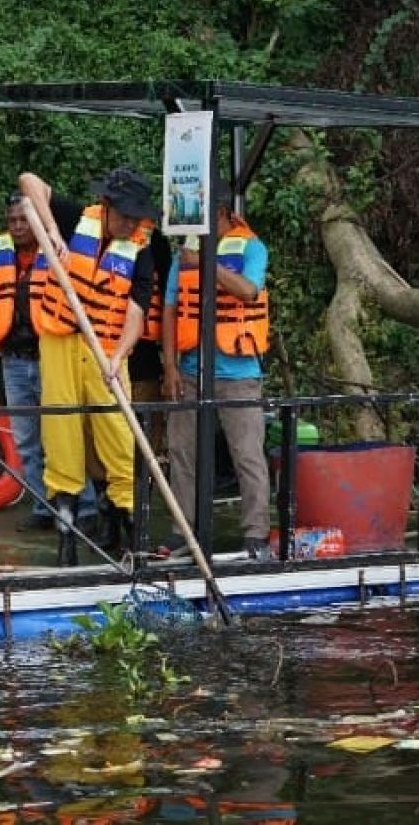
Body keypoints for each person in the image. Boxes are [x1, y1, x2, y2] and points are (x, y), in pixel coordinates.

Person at [19, 168, 159, 565]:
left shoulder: (141, 246)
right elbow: (30, 181)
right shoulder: (76, 218)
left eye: (137, 217)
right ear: (107, 205)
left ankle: (133, 541)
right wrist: (53, 233)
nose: (131, 224)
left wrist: (119, 355)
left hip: (107, 350)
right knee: (62, 435)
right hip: (61, 342)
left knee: (118, 438)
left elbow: (137, 307)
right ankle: (67, 546)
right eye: (125, 215)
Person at [0, 193, 101, 532]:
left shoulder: (59, 250)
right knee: (27, 439)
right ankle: (44, 506)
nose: (16, 226)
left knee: (64, 434)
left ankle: (83, 508)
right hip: (14, 361)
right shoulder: (1, 254)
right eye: (12, 221)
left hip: (51, 359)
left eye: (23, 220)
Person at [162, 187, 271, 559]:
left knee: (247, 453)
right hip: (191, 369)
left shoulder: (251, 248)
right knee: (181, 451)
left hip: (238, 371)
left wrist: (207, 262)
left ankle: (256, 533)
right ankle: (182, 529)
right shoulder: (185, 253)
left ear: (221, 213)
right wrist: (170, 366)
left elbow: (248, 291)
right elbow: (170, 308)